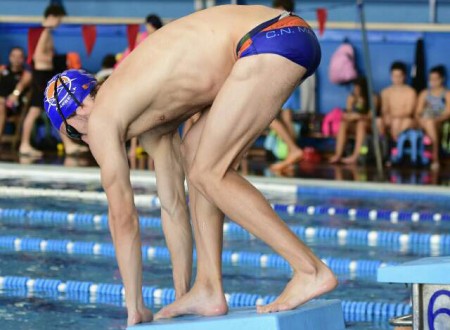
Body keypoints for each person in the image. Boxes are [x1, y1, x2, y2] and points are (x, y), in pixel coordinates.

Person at [43, 5, 336, 326]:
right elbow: (172, 208)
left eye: (74, 135)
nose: (86, 141)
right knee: (196, 156)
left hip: (266, 40)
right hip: (280, 36)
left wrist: (135, 307)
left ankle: (310, 270)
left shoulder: (100, 119)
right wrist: (181, 293)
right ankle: (206, 289)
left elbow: (122, 218)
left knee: (209, 172)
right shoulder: (143, 108)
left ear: (73, 121)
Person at [21, 4, 86, 156]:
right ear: (52, 17)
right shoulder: (44, 32)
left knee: (46, 110)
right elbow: (38, 57)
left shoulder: (42, 32)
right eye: (59, 19)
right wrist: (63, 59)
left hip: (43, 75)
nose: (59, 23)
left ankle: (67, 144)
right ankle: (25, 145)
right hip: (42, 75)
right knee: (44, 110)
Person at [329, 77, 377, 164]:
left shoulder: (372, 97)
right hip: (355, 125)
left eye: (358, 88)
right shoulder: (351, 98)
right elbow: (347, 114)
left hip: (368, 126)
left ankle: (355, 156)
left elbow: (370, 117)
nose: (356, 90)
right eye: (355, 87)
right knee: (343, 124)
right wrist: (351, 115)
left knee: (361, 124)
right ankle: (338, 155)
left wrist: (358, 116)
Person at [415, 65, 450, 170]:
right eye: (431, 79)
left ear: (442, 79)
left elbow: (448, 113)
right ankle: (434, 158)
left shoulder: (447, 94)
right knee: (427, 122)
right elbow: (418, 112)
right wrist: (421, 121)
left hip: (439, 122)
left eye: (436, 79)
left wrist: (435, 120)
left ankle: (435, 158)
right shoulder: (425, 93)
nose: (433, 81)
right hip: (424, 122)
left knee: (430, 123)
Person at [0, 47, 32, 144]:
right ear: (9, 57)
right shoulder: (2, 69)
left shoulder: (26, 74)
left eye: (20, 57)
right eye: (14, 56)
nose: (16, 59)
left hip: (14, 105)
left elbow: (19, 87)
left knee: (0, 107)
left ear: (24, 59)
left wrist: (14, 95)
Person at [379, 62, 416, 141]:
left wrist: (395, 118)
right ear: (391, 76)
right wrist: (388, 116)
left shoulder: (410, 92)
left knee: (399, 122)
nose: (397, 79)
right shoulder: (385, 92)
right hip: (390, 119)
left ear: (404, 76)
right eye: (394, 76)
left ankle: (396, 145)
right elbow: (384, 109)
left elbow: (409, 112)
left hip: (405, 119)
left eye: (399, 76)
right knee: (378, 121)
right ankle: (382, 143)